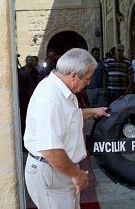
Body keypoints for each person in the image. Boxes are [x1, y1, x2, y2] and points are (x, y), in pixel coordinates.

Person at [24, 48, 109, 209]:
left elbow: (69, 116)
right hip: (52, 173)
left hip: (60, 171)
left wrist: (93, 111)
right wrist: (77, 174)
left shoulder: (60, 90)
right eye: (88, 78)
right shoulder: (50, 99)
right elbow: (51, 151)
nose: (89, 83)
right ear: (74, 75)